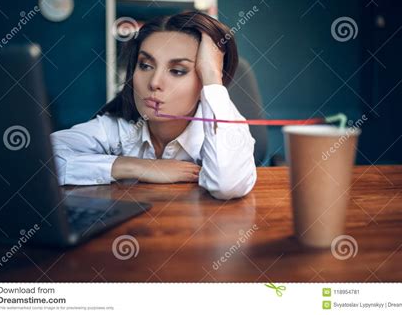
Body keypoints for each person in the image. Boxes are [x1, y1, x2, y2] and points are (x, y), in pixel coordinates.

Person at [50, 11, 256, 200]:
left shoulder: (221, 127)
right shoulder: (117, 127)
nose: (154, 82)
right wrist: (133, 166)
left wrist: (212, 75)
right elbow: (39, 161)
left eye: (177, 70)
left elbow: (228, 186)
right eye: (145, 65)